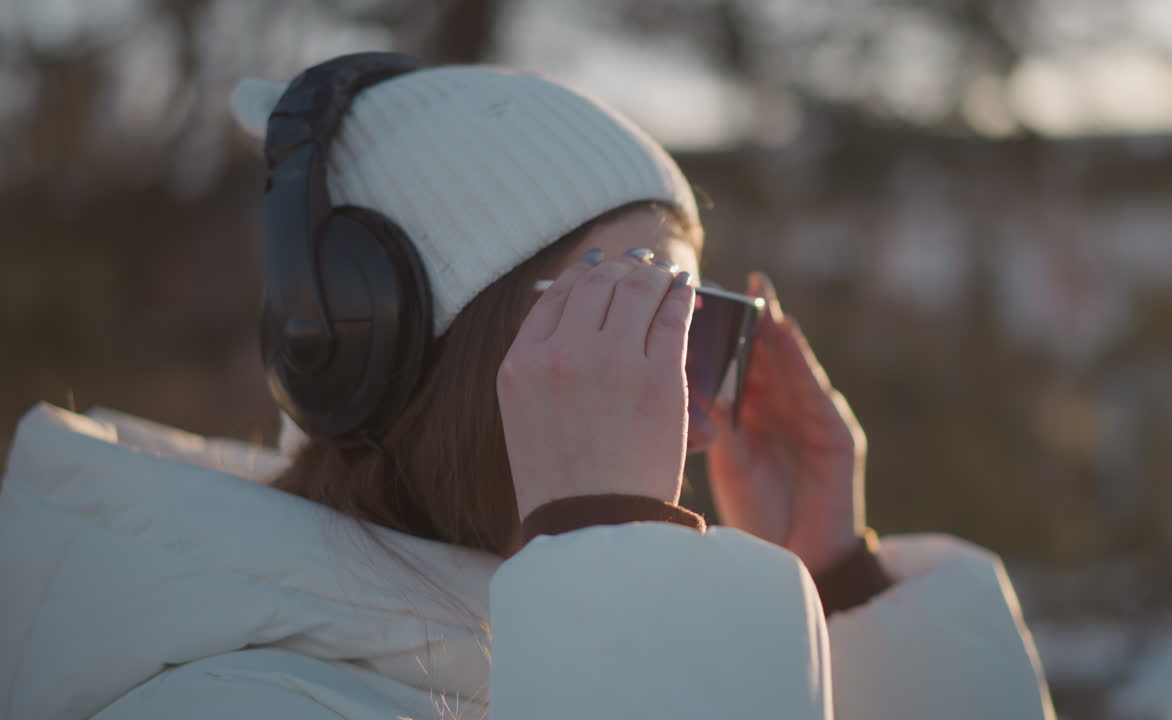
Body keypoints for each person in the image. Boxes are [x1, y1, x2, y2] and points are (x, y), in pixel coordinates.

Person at [0, 53, 1057, 719]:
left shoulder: (517, 658)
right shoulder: (227, 700)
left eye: (693, 336)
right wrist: (610, 546)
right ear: (404, 348)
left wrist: (836, 594)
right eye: (623, 329)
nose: (687, 413)